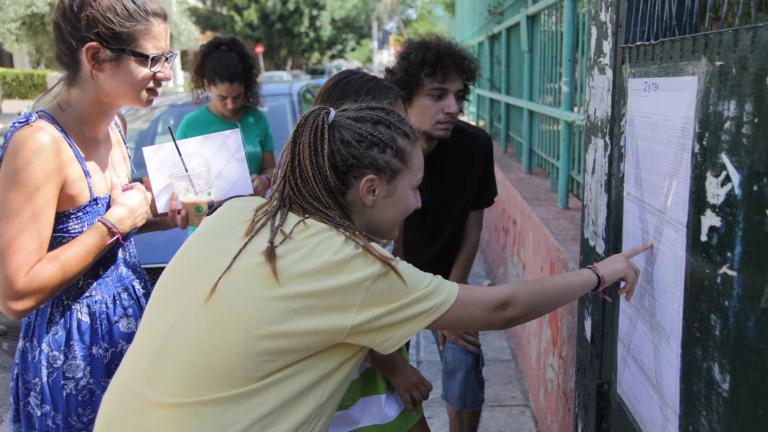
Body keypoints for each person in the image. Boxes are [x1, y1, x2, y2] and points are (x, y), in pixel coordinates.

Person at [94, 103, 650, 431]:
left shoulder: (241, 213)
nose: (419, 203)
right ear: (370, 189)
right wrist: (601, 273)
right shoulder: (351, 266)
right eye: (414, 188)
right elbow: (498, 308)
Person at [0, 0, 186, 430]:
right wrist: (116, 224)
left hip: (125, 339)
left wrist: (154, 214)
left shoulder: (116, 125)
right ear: (95, 58)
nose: (167, 74)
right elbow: (14, 294)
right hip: (73, 358)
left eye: (167, 57)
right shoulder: (38, 145)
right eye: (152, 59)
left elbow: (104, 229)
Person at [385, 35, 494, 432]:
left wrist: (452, 299)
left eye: (458, 95)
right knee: (389, 382)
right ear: (405, 96)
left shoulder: (475, 146)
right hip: (387, 285)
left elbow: (473, 225)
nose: (453, 108)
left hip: (446, 279)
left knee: (464, 359)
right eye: (437, 95)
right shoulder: (382, 150)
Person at [315, 70, 433, 432]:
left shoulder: (373, 211)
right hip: (357, 389)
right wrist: (396, 368)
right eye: (391, 126)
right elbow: (349, 309)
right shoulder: (330, 235)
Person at [175, 36, 275, 197]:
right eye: (222, 98)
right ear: (207, 85)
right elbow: (177, 179)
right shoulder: (190, 126)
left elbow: (271, 167)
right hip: (209, 219)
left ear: (245, 87)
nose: (231, 105)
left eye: (237, 96)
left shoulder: (257, 119)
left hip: (253, 216)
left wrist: (265, 180)